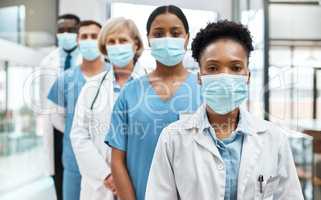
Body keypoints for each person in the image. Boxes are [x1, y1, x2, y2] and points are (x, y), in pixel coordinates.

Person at [145, 20, 304, 200]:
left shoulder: (274, 138)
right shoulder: (172, 139)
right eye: (213, 68)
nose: (225, 77)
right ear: (199, 77)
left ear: (248, 76)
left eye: (236, 68)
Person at [105, 5, 202, 200]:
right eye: (159, 33)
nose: (167, 38)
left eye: (175, 33)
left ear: (187, 38)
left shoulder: (203, 91)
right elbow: (117, 161)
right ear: (148, 39)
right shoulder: (130, 93)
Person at [70, 17, 147, 200]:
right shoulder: (92, 88)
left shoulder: (152, 84)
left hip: (140, 179)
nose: (117, 46)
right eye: (111, 42)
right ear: (105, 47)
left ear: (135, 45)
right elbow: (79, 134)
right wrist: (107, 175)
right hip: (102, 185)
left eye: (122, 40)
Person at [48, 20, 106, 200]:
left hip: (107, 163)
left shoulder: (114, 76)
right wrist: (78, 134)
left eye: (94, 36)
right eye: (84, 36)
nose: (89, 41)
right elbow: (56, 118)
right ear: (78, 41)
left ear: (102, 40)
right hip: (74, 162)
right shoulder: (66, 79)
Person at [38, 13, 81, 200]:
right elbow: (44, 103)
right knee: (59, 178)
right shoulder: (47, 62)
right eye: (61, 30)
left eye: (70, 30)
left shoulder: (89, 59)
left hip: (80, 125)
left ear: (78, 32)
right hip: (55, 130)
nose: (65, 34)